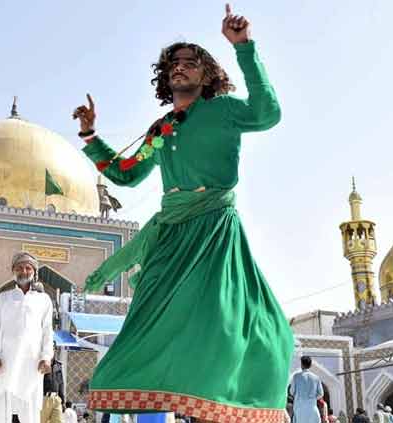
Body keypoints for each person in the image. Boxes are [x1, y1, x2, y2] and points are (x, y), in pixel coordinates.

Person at [72, 3, 292, 420]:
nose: (181, 68)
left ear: (206, 73)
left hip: (213, 229)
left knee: (224, 324)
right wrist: (90, 135)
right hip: (171, 232)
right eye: (174, 63)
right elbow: (125, 174)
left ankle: (227, 403)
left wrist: (243, 47)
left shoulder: (224, 111)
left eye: (191, 64)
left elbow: (268, 114)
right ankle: (145, 400)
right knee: (147, 317)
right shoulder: (161, 129)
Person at [0, 251, 54, 423]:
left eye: (27, 268)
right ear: (13, 271)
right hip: (6, 362)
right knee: (2, 409)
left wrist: (46, 357)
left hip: (31, 364)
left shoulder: (44, 300)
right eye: (19, 268)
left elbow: (47, 331)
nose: (23, 271)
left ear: (34, 272)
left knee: (30, 411)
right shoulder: (4, 298)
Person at [290, 356, 324, 423]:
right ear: (310, 365)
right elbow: (321, 394)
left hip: (299, 407)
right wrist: (312, 398)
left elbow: (292, 391)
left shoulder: (296, 376)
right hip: (312, 407)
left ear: (301, 364)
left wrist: (298, 396)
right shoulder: (316, 378)